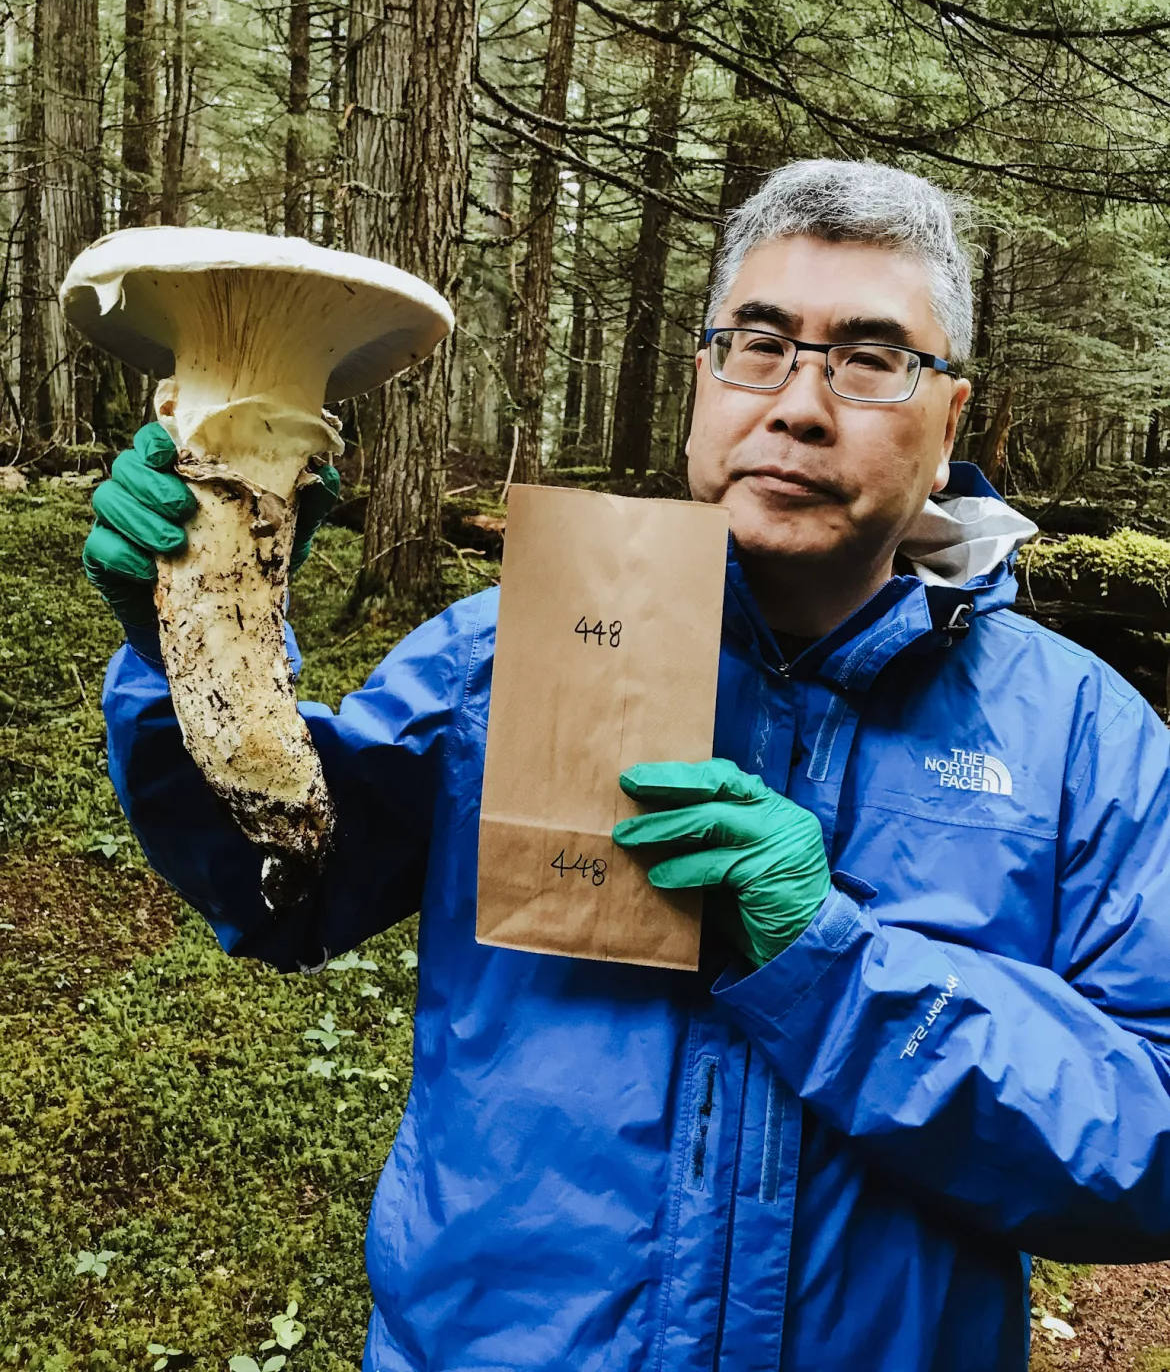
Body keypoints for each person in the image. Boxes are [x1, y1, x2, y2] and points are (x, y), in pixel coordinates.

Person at [88, 160, 1170, 1372]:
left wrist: (831, 962)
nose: (802, 405)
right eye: (758, 342)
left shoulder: (1082, 738)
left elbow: (1151, 1149)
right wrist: (181, 648)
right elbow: (282, 888)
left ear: (953, 418)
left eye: (872, 359)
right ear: (706, 377)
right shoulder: (506, 649)